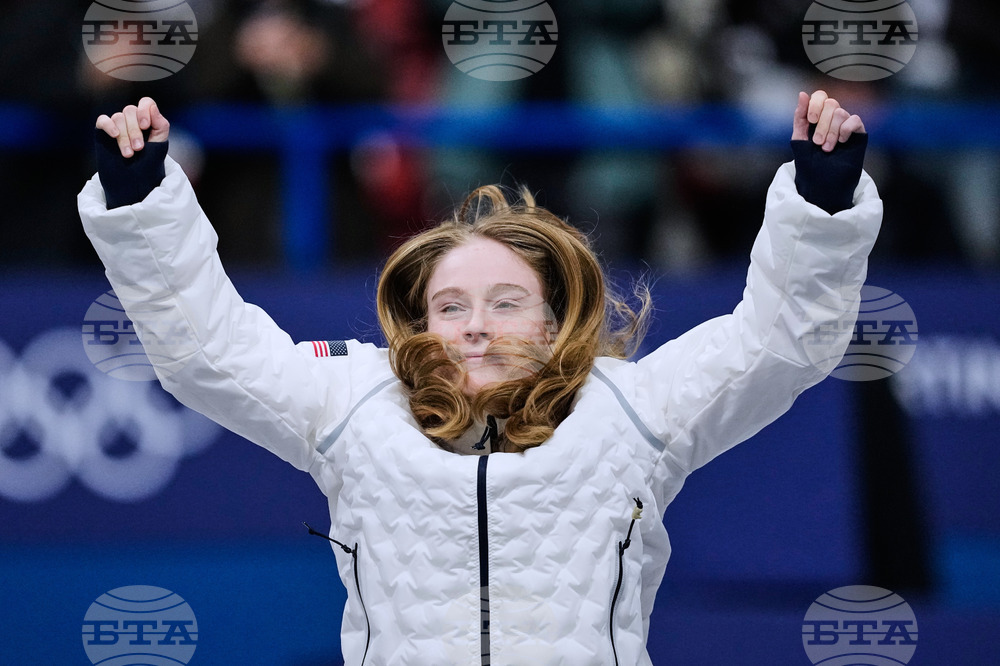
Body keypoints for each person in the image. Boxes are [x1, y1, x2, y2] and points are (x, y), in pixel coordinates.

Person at [78, 91, 881, 665]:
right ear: (421, 322)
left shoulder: (633, 412)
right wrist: (143, 204)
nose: (475, 325)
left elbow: (778, 345)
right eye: (451, 305)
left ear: (552, 320)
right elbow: (208, 353)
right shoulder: (353, 407)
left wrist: (820, 206)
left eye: (506, 303)